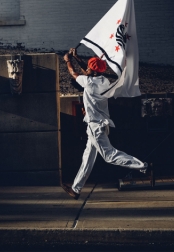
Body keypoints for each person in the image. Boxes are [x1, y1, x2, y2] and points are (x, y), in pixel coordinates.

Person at [61, 48, 148, 199]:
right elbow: (88, 70)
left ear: (93, 72)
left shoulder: (88, 82)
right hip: (100, 125)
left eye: (89, 67)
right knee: (87, 158)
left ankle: (143, 166)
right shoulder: (104, 81)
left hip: (96, 126)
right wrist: (76, 57)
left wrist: (68, 60)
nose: (86, 69)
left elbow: (74, 74)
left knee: (109, 155)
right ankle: (76, 189)